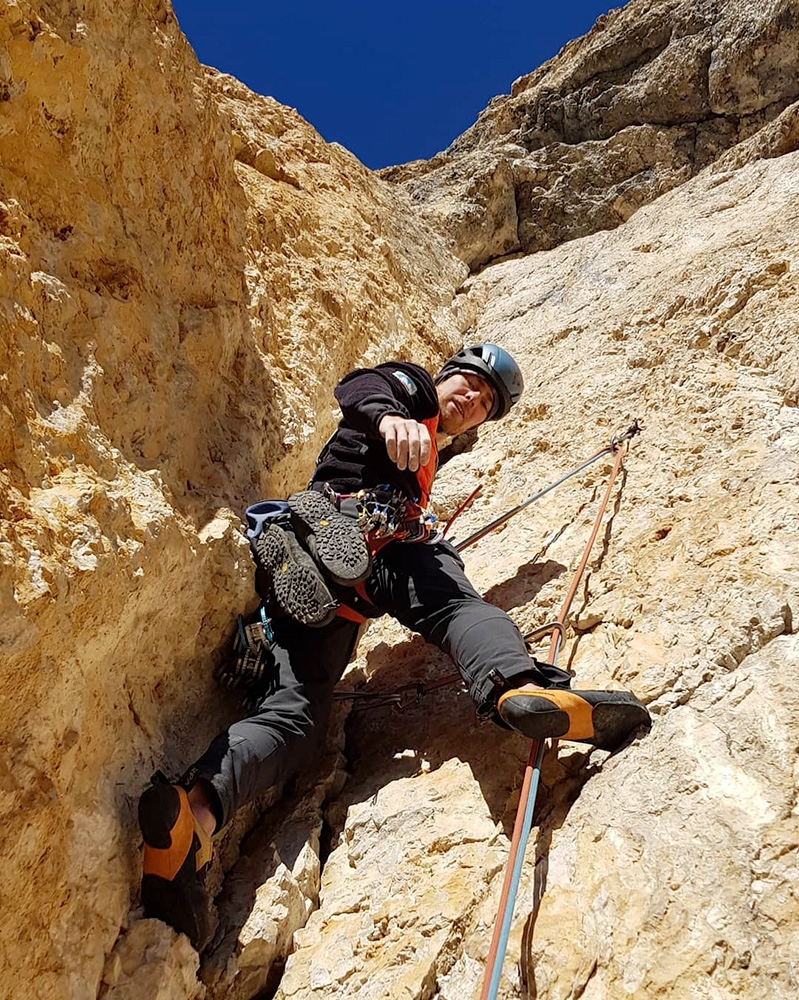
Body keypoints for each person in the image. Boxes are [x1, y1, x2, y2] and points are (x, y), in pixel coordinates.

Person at [138, 344, 651, 949]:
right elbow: (359, 386)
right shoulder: (412, 393)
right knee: (458, 608)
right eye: (470, 383)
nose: (473, 400)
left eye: (486, 404)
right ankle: (519, 686)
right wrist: (391, 418)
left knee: (297, 720)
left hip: (332, 598)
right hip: (384, 542)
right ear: (445, 374)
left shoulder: (427, 451)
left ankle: (191, 817)